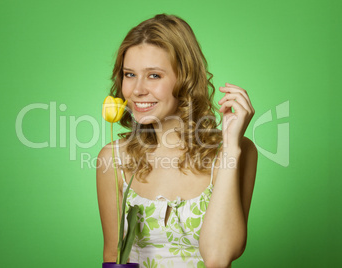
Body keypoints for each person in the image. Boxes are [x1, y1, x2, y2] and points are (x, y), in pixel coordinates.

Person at [97, 14, 258, 268]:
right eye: (129, 74)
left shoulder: (237, 151)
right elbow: (112, 256)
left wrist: (230, 149)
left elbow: (217, 257)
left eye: (154, 76)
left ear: (186, 78)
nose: (137, 90)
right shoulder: (113, 159)